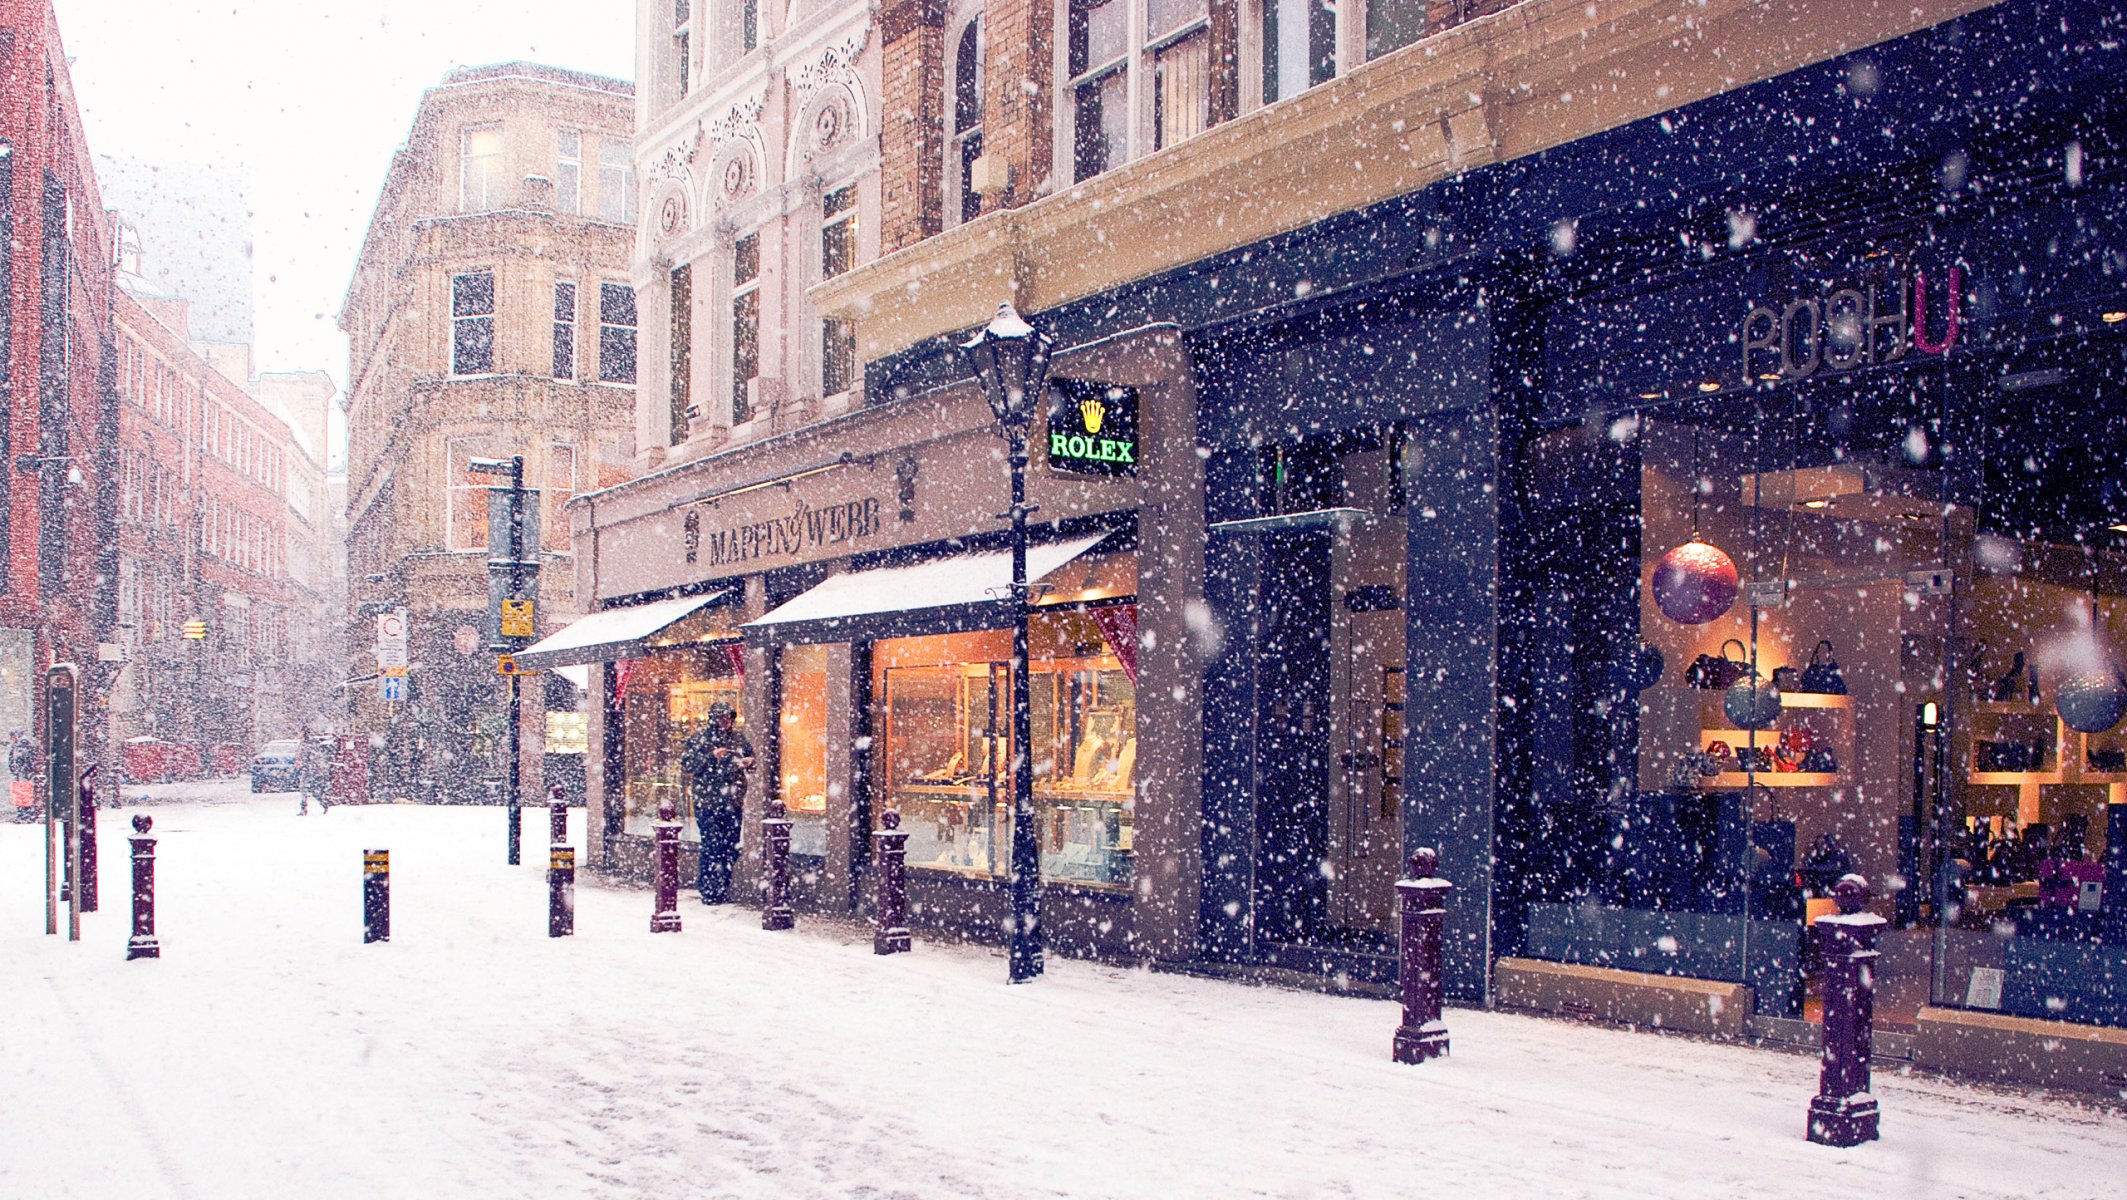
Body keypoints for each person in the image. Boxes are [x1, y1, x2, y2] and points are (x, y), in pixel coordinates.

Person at [680, 702, 753, 904]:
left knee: (731, 846)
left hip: (733, 801)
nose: (725, 721)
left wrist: (749, 762)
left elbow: (749, 757)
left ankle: (722, 886)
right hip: (708, 802)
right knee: (712, 846)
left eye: (728, 717)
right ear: (713, 719)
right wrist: (711, 757)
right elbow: (687, 764)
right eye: (721, 718)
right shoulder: (700, 739)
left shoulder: (738, 738)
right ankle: (709, 889)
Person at [297, 738, 332, 816]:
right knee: (306, 790)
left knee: (311, 790)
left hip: (311, 772)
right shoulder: (306, 748)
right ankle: (305, 808)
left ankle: (323, 803)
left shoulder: (309, 748)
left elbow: (316, 760)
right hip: (308, 771)